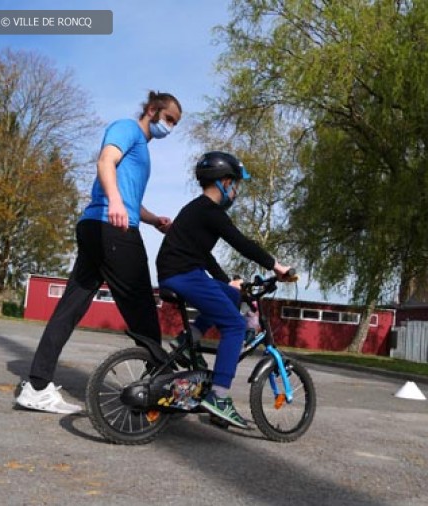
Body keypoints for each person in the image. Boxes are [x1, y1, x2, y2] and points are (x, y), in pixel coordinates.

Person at [16, 91, 182, 414]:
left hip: (99, 227)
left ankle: (36, 387)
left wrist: (152, 220)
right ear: (152, 109)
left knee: (70, 307)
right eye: (169, 119)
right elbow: (106, 160)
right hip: (111, 228)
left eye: (175, 123)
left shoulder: (142, 150)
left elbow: (129, 195)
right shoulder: (127, 129)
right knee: (143, 311)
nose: (170, 127)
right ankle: (163, 392)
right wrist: (116, 203)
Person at [156, 151, 291, 429]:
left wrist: (226, 281)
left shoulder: (197, 210)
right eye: (236, 184)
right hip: (184, 275)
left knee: (230, 296)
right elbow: (241, 242)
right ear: (224, 182)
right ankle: (219, 397)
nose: (236, 191)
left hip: (180, 273)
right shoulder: (210, 211)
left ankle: (188, 339)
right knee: (234, 327)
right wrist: (275, 265)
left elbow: (203, 255)